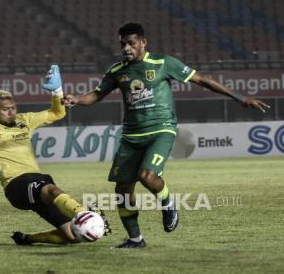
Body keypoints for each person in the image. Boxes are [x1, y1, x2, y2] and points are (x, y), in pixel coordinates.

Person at [63, 22, 270, 248]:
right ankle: (135, 239)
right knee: (122, 190)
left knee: (147, 175)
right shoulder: (117, 71)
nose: (126, 48)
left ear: (143, 42)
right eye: (123, 44)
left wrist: (241, 98)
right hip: (131, 136)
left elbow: (202, 80)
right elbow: (96, 95)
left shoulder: (163, 63)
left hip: (161, 129)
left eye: (131, 43)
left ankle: (168, 202)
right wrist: (76, 100)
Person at [0, 65, 99, 245]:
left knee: (72, 236)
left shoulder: (24, 120)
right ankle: (84, 214)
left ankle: (27, 239)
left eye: (13, 108)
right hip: (16, 184)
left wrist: (57, 92)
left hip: (38, 177)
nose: (12, 112)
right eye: (5, 109)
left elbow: (57, 113)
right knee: (51, 190)